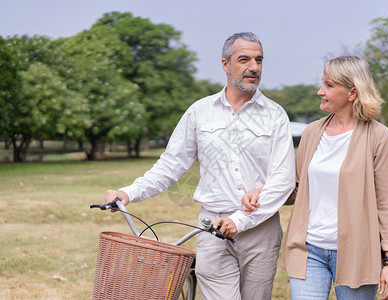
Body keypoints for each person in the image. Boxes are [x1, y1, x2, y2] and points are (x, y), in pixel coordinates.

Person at [105, 32, 296, 299]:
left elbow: (283, 180)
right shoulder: (199, 111)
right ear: (225, 65)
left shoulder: (275, 115)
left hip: (260, 231)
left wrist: (239, 221)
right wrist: (129, 192)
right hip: (211, 229)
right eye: (244, 60)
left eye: (259, 60)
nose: (254, 67)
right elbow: (171, 164)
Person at [242, 56, 388, 300]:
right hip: (309, 250)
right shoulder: (312, 132)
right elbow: (294, 188)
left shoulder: (378, 136)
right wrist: (263, 192)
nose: (320, 91)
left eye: (328, 85)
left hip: (356, 253)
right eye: (322, 83)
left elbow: (387, 203)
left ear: (352, 93)